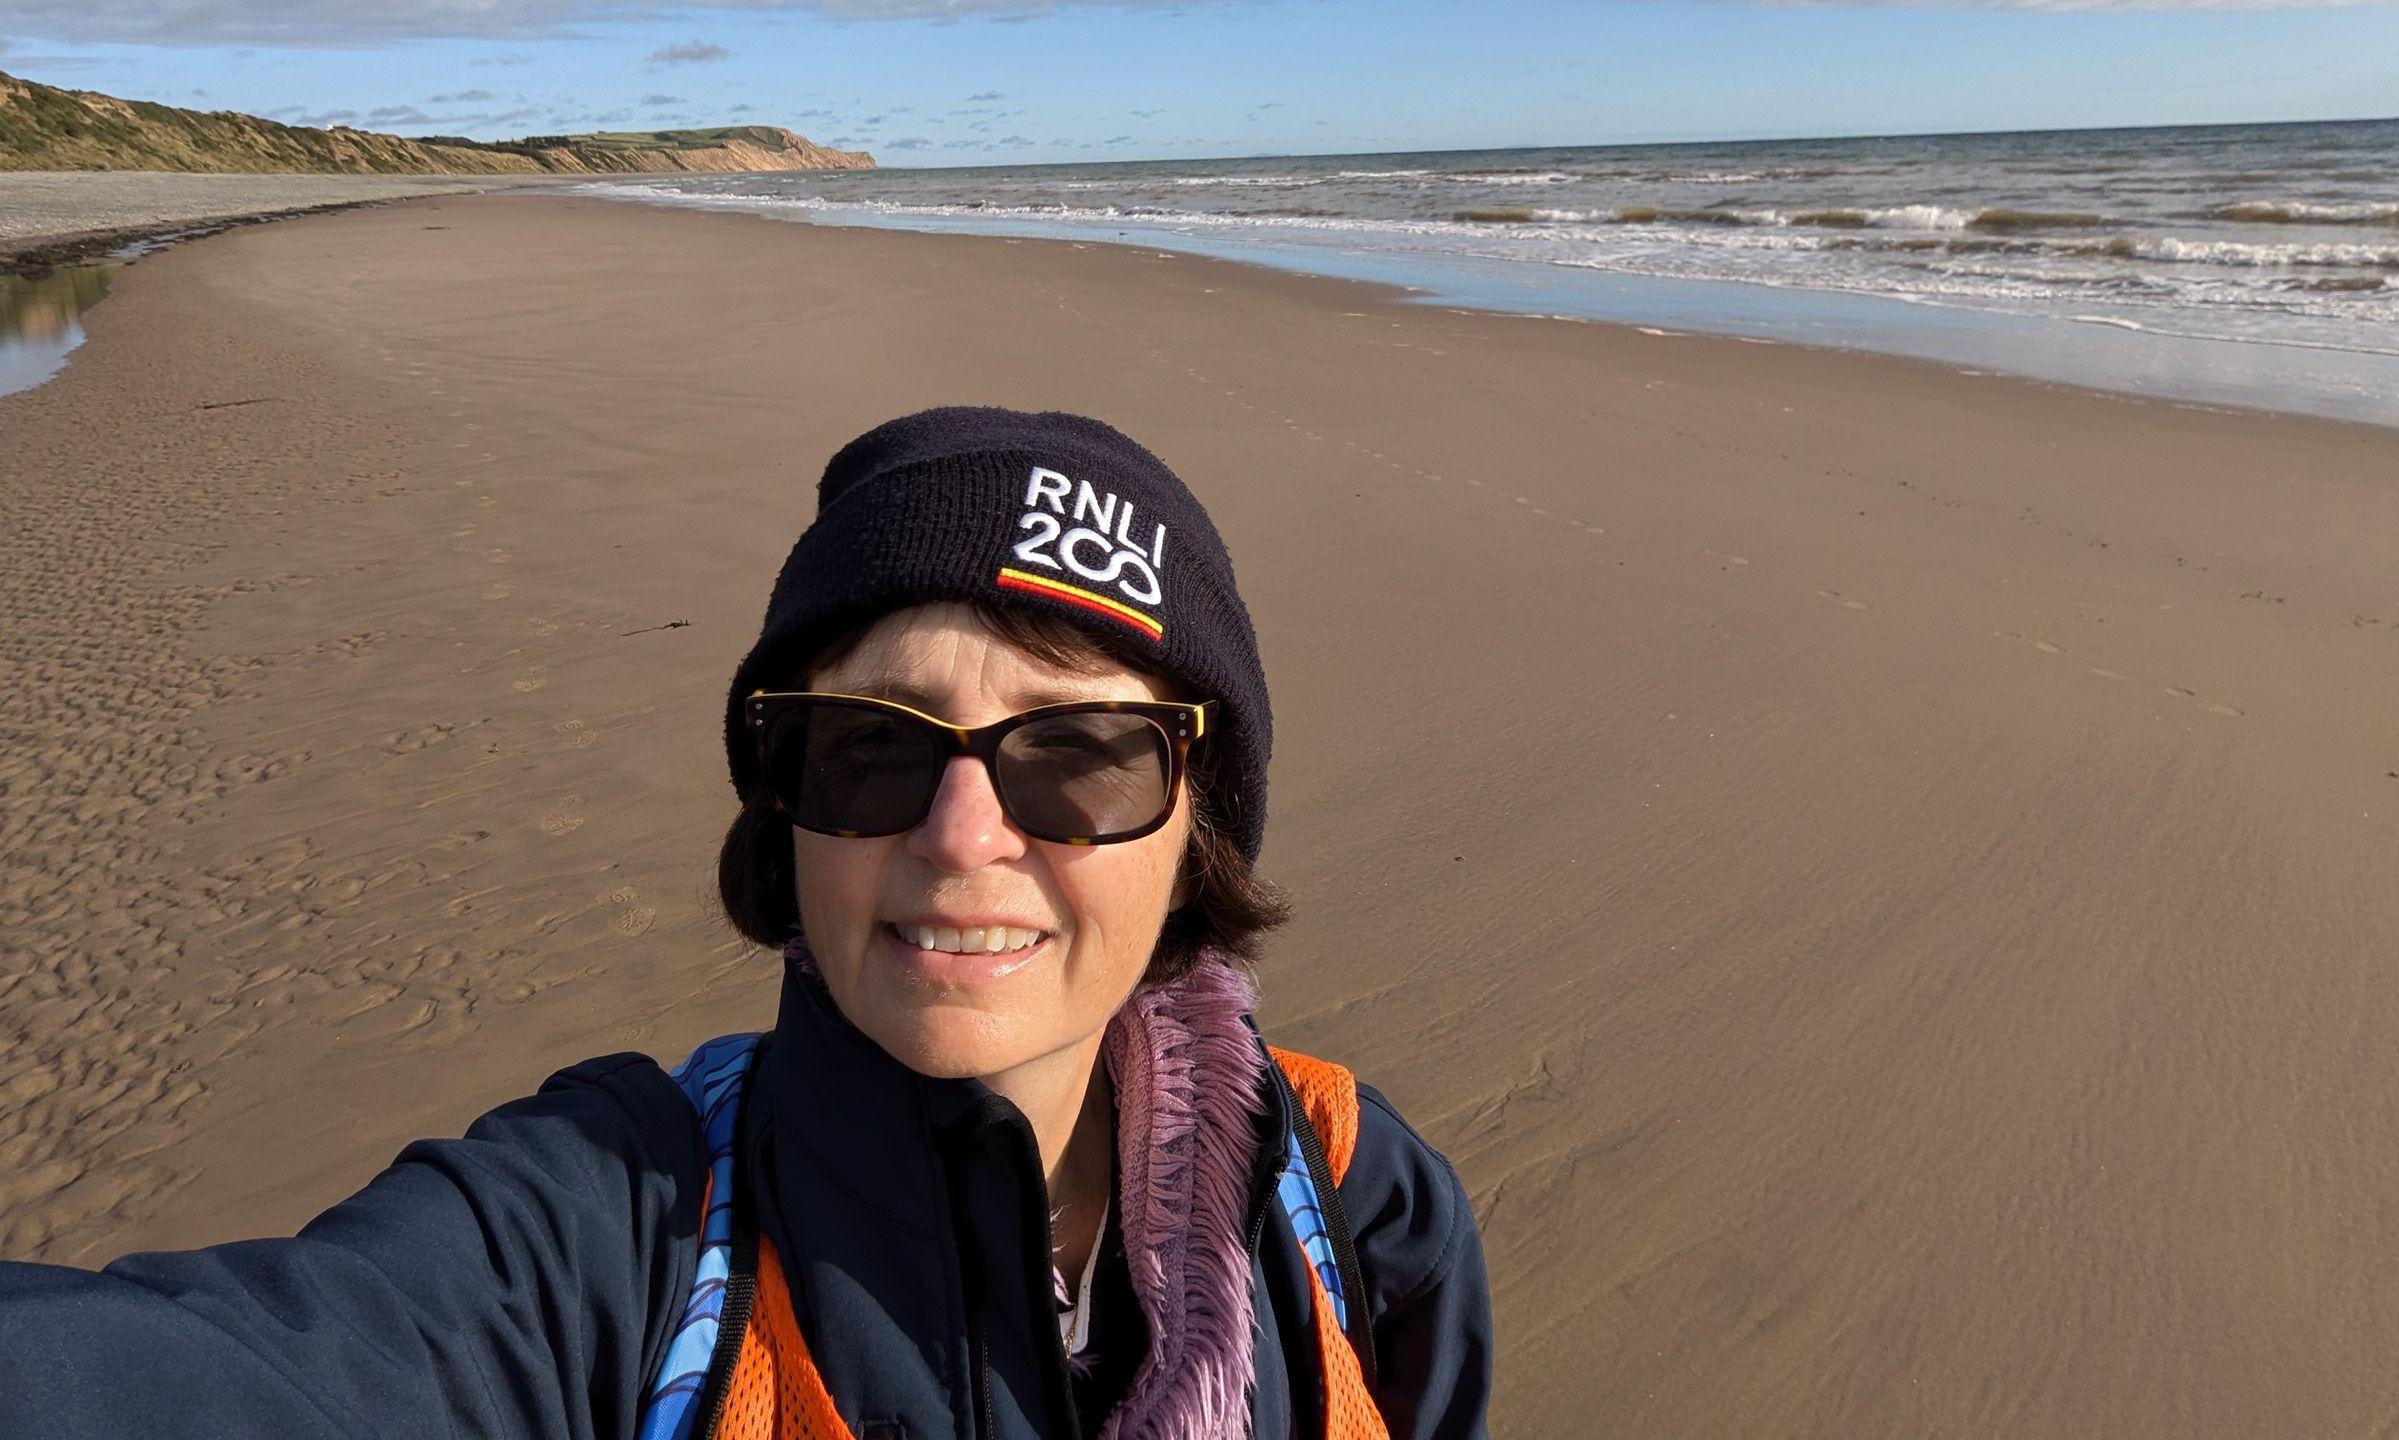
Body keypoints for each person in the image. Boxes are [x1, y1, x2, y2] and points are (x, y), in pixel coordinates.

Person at [0, 406, 1493, 1440]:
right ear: (783, 809)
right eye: (871, 747)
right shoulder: (615, 1237)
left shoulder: (1350, 1197)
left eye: (1083, 756)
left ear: (1195, 828)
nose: (963, 838)